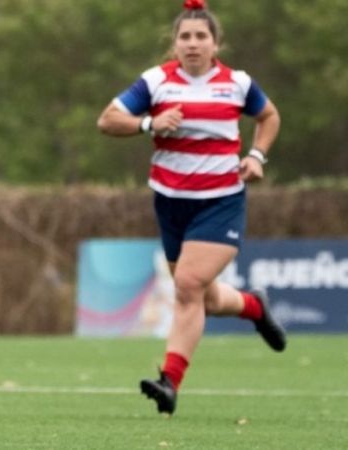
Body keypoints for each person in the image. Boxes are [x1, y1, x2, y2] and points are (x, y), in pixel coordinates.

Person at [96, 0, 285, 415]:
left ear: (216, 44)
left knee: (187, 285)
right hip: (171, 204)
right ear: (175, 44)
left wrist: (257, 156)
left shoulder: (237, 83)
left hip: (221, 201)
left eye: (201, 36)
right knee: (203, 296)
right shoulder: (156, 82)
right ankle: (254, 306)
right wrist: (149, 123)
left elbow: (269, 116)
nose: (193, 43)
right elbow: (108, 120)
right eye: (185, 36)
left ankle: (170, 382)